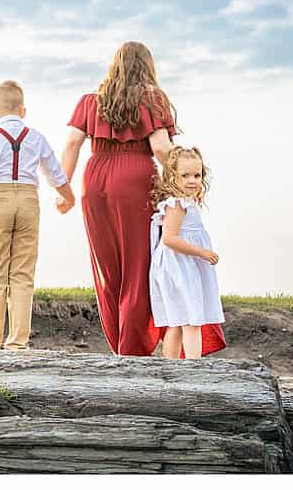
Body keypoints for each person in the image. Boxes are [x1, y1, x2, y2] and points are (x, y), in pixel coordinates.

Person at [61, 41, 223, 357]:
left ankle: (119, 344)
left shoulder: (89, 101)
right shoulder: (151, 99)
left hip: (94, 181)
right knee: (138, 269)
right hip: (135, 180)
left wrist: (64, 189)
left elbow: (71, 143)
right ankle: (131, 350)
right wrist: (179, 181)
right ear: (147, 67)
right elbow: (161, 147)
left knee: (108, 272)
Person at [0, 79, 77, 350]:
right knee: (22, 273)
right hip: (28, 200)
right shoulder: (36, 137)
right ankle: (18, 341)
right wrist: (69, 198)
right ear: (23, 111)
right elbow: (55, 174)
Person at [149, 146, 225, 360]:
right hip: (177, 266)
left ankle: (171, 365)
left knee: (178, 319)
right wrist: (200, 252)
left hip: (181, 265)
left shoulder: (187, 203)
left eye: (197, 175)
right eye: (185, 176)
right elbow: (169, 238)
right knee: (191, 319)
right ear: (172, 177)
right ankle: (193, 365)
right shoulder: (176, 204)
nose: (192, 180)